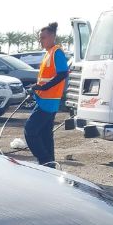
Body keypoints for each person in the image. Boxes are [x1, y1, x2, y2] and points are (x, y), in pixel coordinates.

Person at [23, 22, 69, 167]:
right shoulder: (48, 53)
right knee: (45, 134)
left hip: (48, 101)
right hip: (45, 99)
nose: (41, 41)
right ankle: (50, 164)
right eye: (40, 38)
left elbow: (63, 74)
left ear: (52, 37)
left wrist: (44, 88)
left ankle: (44, 161)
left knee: (30, 131)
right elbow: (46, 78)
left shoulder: (57, 52)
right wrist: (37, 88)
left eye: (43, 38)